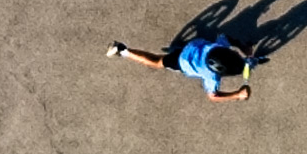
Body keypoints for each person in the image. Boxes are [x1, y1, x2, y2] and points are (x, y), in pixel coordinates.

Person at [106, 34, 251, 102]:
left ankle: (181, 46)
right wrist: (237, 95)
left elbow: (225, 36)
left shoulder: (221, 46)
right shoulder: (211, 77)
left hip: (194, 45)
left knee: (199, 42)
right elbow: (213, 96)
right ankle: (123, 50)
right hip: (182, 61)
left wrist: (242, 46)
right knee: (157, 62)